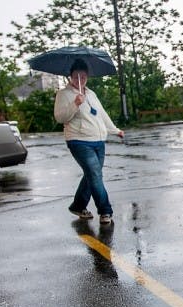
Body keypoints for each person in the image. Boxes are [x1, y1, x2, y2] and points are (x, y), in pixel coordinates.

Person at [54, 59, 124, 225]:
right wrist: (75, 104)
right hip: (79, 141)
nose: (80, 79)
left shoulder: (91, 94)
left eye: (83, 76)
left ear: (87, 77)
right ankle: (105, 210)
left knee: (92, 175)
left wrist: (115, 130)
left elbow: (101, 114)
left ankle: (78, 206)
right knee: (94, 174)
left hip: (98, 140)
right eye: (77, 76)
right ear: (70, 76)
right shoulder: (64, 94)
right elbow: (60, 117)